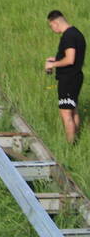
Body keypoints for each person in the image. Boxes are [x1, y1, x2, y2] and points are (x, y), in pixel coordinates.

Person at [45, 10, 85, 144]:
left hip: (68, 79)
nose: (52, 29)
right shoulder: (77, 33)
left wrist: (53, 65)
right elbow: (74, 57)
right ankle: (76, 142)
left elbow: (70, 59)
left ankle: (70, 145)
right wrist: (55, 58)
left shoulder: (68, 36)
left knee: (66, 114)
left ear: (55, 23)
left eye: (51, 26)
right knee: (73, 112)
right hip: (76, 77)